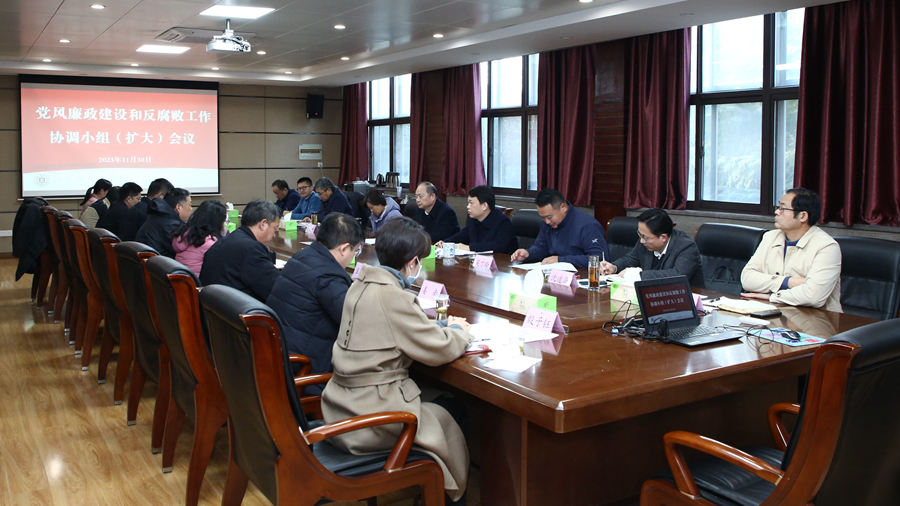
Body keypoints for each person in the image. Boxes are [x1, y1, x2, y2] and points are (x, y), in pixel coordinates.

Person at [321, 217, 474, 504]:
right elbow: (439, 349)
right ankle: (444, 496)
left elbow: (399, 328)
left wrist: (439, 327)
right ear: (413, 262)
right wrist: (459, 332)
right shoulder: (394, 296)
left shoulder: (359, 283)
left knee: (440, 400)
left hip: (339, 405)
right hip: (371, 418)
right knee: (453, 411)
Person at [266, 213, 364, 393]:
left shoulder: (302, 256)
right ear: (343, 249)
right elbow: (356, 323)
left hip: (278, 355)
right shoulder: (329, 276)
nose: (354, 256)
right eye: (355, 251)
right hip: (305, 371)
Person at [741, 188, 842, 312]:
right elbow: (747, 279)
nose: (777, 212)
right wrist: (789, 282)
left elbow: (813, 296)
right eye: (778, 207)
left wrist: (772, 296)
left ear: (802, 216)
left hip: (817, 318)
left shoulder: (827, 246)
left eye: (783, 209)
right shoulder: (770, 237)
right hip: (773, 312)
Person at [599, 208, 705, 287]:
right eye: (640, 235)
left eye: (645, 238)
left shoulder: (686, 247)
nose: (641, 241)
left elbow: (677, 276)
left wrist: (639, 275)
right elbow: (632, 258)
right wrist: (614, 267)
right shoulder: (645, 241)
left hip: (685, 300)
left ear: (663, 237)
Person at [200, 199, 281, 302]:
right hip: (235, 309)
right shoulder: (252, 249)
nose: (274, 234)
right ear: (263, 224)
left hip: (213, 307)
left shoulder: (227, 240)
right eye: (275, 228)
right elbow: (276, 288)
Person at [510, 188, 609, 267]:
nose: (547, 222)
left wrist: (560, 260)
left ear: (563, 208)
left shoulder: (587, 225)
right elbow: (542, 246)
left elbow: (599, 259)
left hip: (582, 278)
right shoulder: (548, 223)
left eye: (549, 217)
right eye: (543, 218)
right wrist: (529, 253)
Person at [437, 185, 518, 255]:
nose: (468, 206)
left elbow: (498, 246)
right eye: (468, 203)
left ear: (484, 206)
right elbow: (461, 236)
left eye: (471, 203)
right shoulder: (474, 219)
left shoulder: (503, 222)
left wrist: (469, 247)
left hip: (502, 264)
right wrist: (445, 242)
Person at [171, 200, 227, 277]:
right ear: (217, 222)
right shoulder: (210, 244)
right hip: (199, 282)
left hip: (183, 280)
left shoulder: (184, 234)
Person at [135, 188, 192, 258]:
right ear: (178, 207)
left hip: (149, 261)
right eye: (190, 205)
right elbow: (188, 251)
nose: (191, 208)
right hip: (156, 263)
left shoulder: (158, 216)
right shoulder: (171, 225)